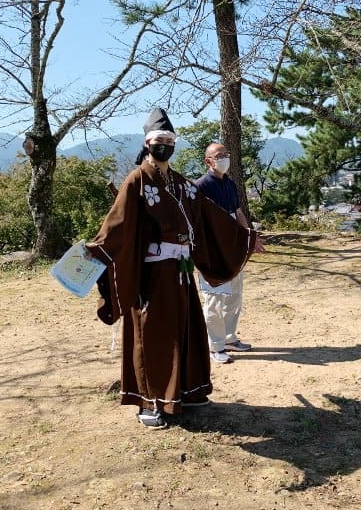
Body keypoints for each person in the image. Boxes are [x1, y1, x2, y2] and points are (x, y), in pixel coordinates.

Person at [85, 108, 258, 429]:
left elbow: (209, 218)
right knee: (153, 335)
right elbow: (117, 225)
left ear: (174, 144)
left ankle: (186, 393)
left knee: (186, 331)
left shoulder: (182, 184)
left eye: (169, 140)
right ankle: (149, 403)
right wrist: (95, 253)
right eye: (158, 140)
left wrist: (244, 237)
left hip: (180, 272)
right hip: (151, 277)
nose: (164, 145)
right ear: (148, 143)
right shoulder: (137, 180)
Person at [195, 142, 265, 364]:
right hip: (212, 249)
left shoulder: (230, 184)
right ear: (208, 161)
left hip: (233, 246)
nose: (225, 158)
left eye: (226, 153)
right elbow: (197, 222)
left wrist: (250, 238)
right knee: (214, 297)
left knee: (235, 294)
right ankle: (215, 346)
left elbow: (238, 212)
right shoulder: (200, 186)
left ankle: (229, 338)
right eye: (219, 155)